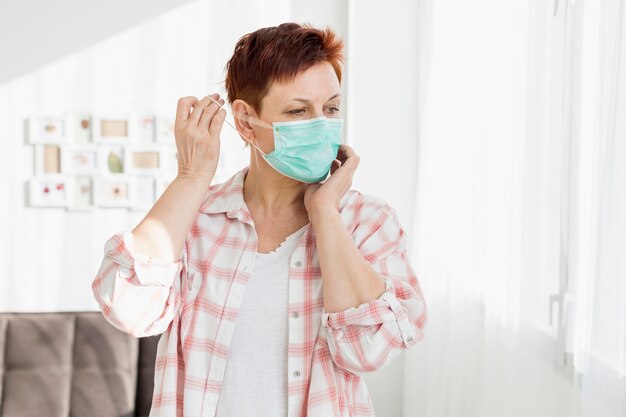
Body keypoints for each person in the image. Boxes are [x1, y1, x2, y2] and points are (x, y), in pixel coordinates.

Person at [92, 22, 428, 417]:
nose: (321, 124)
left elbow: (366, 352)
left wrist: (324, 214)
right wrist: (192, 178)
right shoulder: (197, 220)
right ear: (247, 123)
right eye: (298, 110)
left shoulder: (366, 221)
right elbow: (129, 309)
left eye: (332, 108)